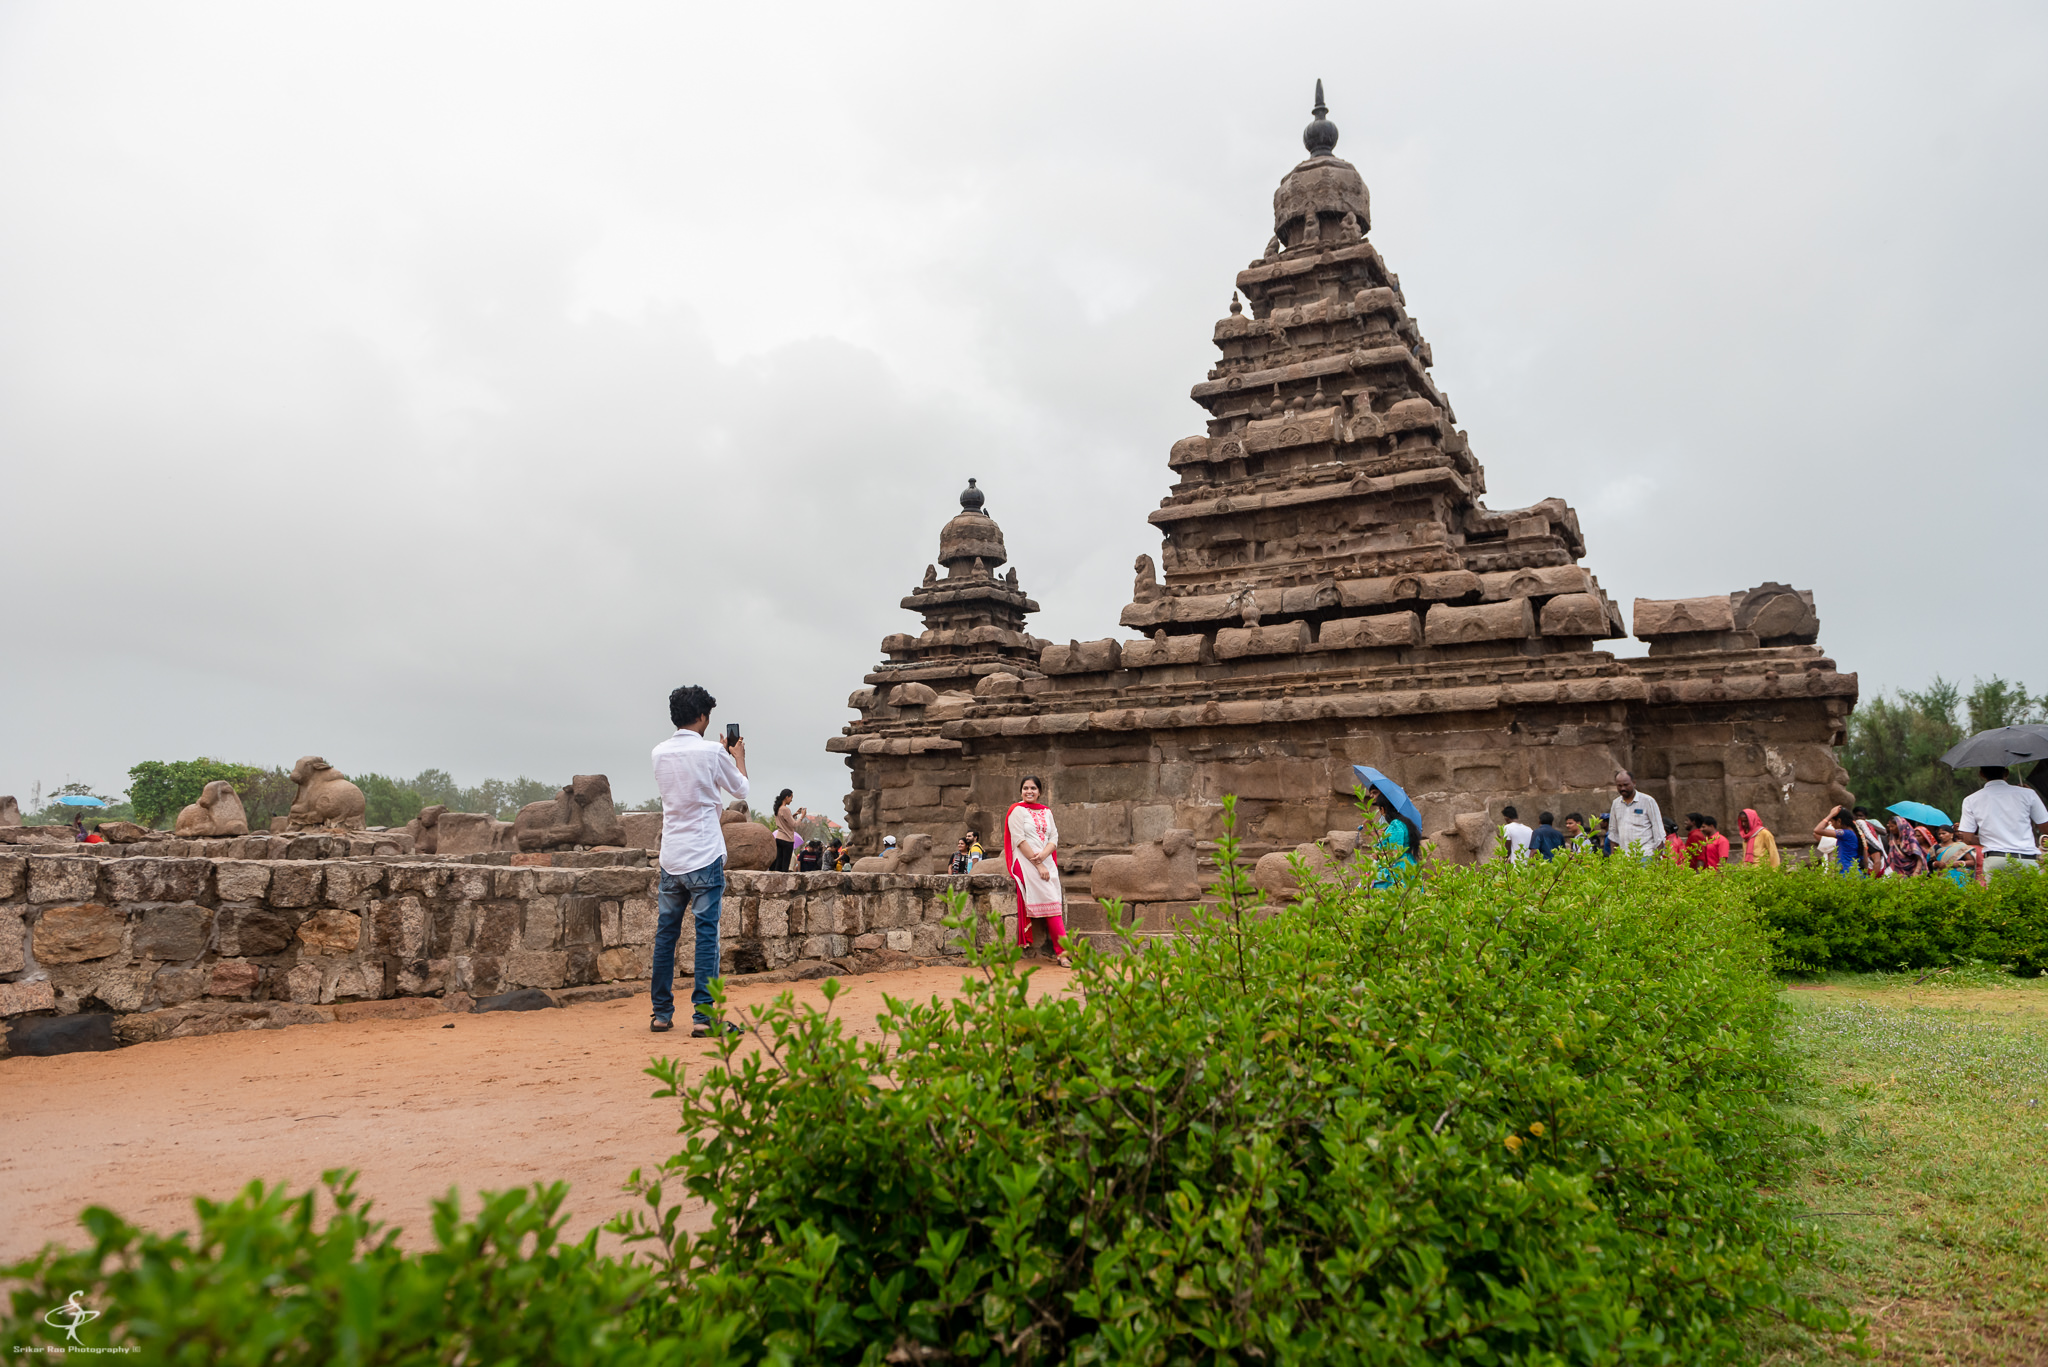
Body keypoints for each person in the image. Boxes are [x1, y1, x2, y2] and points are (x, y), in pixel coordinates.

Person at [649, 684, 748, 1037]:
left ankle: (661, 1013)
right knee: (706, 935)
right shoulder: (711, 753)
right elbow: (742, 790)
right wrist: (737, 756)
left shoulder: (658, 753)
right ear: (703, 716)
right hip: (704, 852)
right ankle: (704, 1017)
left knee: (666, 935)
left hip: (672, 855)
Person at [1004, 776, 1069, 966]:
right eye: (1025, 788)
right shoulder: (1016, 810)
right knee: (1052, 901)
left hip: (1044, 858)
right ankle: (1063, 953)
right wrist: (1038, 864)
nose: (1029, 791)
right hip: (1024, 860)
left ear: (1040, 792)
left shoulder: (1047, 812)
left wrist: (1044, 856)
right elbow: (1019, 839)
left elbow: (1054, 837)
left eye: (1033, 788)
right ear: (1021, 791)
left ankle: (1063, 951)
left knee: (1054, 900)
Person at [1957, 766, 2048, 874]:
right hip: (2026, 859)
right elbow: (2045, 828)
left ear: (1981, 774)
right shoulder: (2028, 794)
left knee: (1998, 891)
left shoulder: (1970, 800)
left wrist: (1991, 838)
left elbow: (1968, 838)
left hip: (1995, 860)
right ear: (2007, 773)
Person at [1361, 788, 1420, 889]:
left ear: (1383, 809)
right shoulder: (1405, 823)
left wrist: (1378, 855)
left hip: (1398, 868)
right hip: (1408, 865)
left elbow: (1396, 852)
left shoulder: (1395, 825)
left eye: (1380, 808)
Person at [1606, 771, 1666, 858]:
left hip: (1646, 855)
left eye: (1626, 785)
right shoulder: (1616, 804)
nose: (1623, 788)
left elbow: (1659, 832)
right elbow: (1613, 833)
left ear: (1634, 783)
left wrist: (1657, 858)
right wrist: (1614, 858)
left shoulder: (1648, 801)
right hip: (1625, 858)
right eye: (1619, 785)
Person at [1812, 806, 1861, 875]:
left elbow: (1817, 830)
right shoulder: (1850, 833)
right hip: (1850, 871)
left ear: (1839, 821)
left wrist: (1830, 815)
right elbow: (1817, 833)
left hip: (1847, 873)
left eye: (1832, 821)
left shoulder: (1845, 833)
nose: (1831, 824)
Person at [768, 789, 808, 872]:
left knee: (778, 863)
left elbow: (785, 821)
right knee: (785, 865)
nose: (791, 800)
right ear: (786, 797)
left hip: (779, 838)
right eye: (791, 797)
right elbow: (794, 824)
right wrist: (802, 817)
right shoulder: (785, 809)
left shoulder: (778, 808)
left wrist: (795, 814)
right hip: (787, 839)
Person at [1850, 807, 1889, 876]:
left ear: (1865, 816)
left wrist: (1867, 824)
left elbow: (1884, 832)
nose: (1858, 818)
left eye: (1861, 816)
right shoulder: (1853, 825)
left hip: (1876, 851)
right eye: (1856, 816)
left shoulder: (1871, 823)